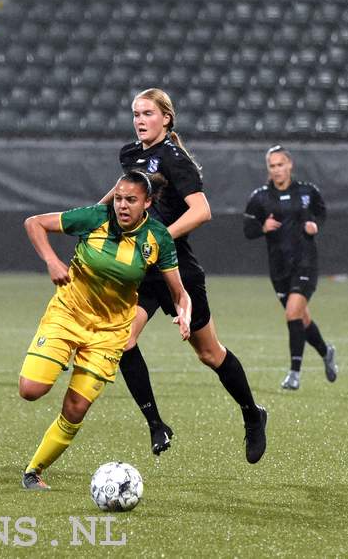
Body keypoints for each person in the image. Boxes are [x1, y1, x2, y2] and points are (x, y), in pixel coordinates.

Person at [106, 88, 267, 464]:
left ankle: (252, 413)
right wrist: (96, 214)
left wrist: (158, 237)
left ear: (166, 118)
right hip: (142, 271)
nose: (140, 120)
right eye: (135, 114)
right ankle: (156, 423)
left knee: (210, 353)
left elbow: (202, 211)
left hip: (178, 268)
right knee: (122, 341)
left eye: (147, 113)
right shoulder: (131, 155)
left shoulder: (176, 160)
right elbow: (121, 190)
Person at [19, 171, 191, 490]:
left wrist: (185, 313)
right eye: (120, 198)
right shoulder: (95, 217)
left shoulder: (157, 238)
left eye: (132, 200)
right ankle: (58, 355)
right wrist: (52, 261)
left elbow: (179, 291)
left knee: (76, 407)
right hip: (68, 315)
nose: (123, 206)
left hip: (109, 333)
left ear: (147, 203)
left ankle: (33, 471)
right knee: (30, 390)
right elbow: (34, 223)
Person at [243, 145, 338, 391]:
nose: (276, 170)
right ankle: (326, 351)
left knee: (293, 313)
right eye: (272, 166)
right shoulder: (260, 197)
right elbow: (248, 229)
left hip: (306, 262)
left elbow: (321, 212)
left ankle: (294, 374)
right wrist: (263, 227)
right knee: (301, 319)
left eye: (280, 164)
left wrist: (314, 225)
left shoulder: (307, 191)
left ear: (290, 165)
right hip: (278, 268)